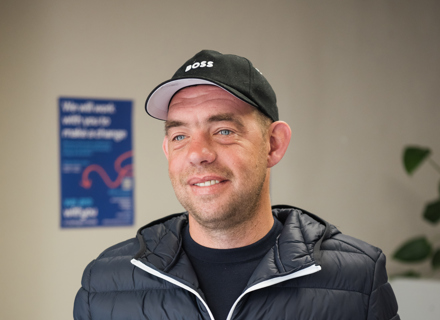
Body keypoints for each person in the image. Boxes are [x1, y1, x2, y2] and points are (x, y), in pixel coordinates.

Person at [74, 50, 399, 320]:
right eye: (180, 136)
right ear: (167, 151)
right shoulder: (103, 283)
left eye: (224, 131)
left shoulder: (359, 279)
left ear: (273, 144)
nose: (198, 153)